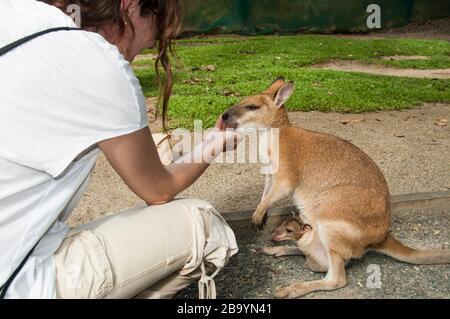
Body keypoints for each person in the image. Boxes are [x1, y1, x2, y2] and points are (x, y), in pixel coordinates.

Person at [0, 0, 240, 299]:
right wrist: (214, 144)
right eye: (149, 40)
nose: (137, 53)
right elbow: (159, 190)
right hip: (15, 279)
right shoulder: (98, 60)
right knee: (205, 225)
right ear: (130, 6)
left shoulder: (14, 11)